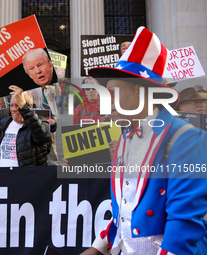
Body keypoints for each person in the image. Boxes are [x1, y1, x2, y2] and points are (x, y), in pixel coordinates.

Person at [81, 26, 207, 255]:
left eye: (113, 93)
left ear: (139, 92)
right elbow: (125, 212)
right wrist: (97, 248)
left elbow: (184, 225)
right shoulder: (124, 138)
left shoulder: (186, 138)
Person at [0, 86, 51, 167]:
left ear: (30, 106)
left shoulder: (41, 122)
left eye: (18, 105)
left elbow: (42, 138)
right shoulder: (4, 122)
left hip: (25, 176)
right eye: (11, 105)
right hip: (3, 175)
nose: (14, 109)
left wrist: (24, 107)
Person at [30, 87, 58, 165]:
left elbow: (53, 128)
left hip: (43, 139)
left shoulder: (45, 107)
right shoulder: (24, 107)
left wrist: (53, 124)